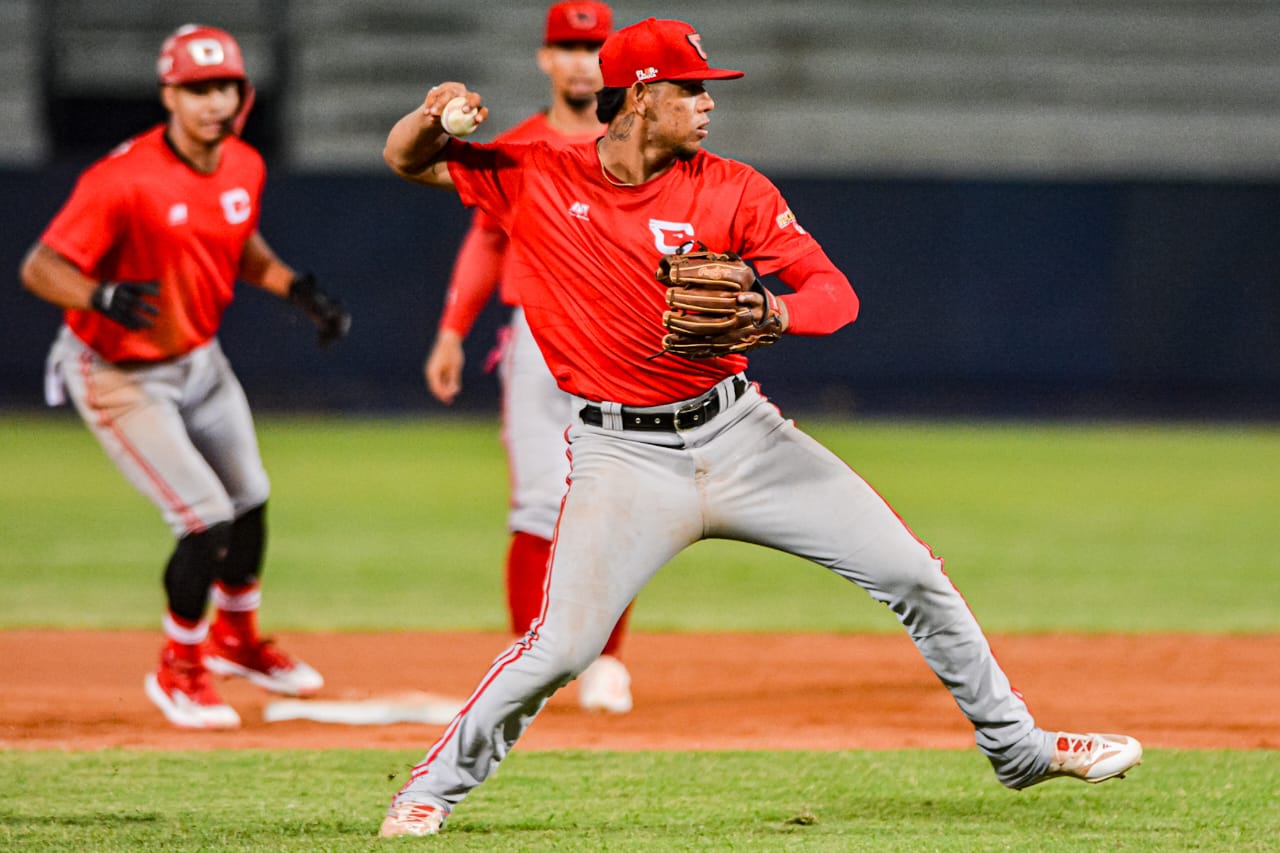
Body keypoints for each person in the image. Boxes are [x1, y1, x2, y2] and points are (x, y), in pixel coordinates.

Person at [377, 17, 1142, 837]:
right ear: (638, 96)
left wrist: (775, 310)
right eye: (691, 90)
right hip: (622, 454)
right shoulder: (536, 172)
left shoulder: (733, 188)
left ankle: (1018, 747)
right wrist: (433, 114)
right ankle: (432, 789)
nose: (708, 106)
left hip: (743, 436)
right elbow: (405, 159)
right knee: (562, 649)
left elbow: (834, 293)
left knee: (915, 575)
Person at [19, 24, 351, 730]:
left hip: (198, 359)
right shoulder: (121, 178)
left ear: (243, 94)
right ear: (169, 95)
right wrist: (98, 295)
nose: (211, 101)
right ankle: (180, 668)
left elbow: (236, 242)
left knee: (251, 499)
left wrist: (297, 288)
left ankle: (237, 640)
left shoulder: (243, 166)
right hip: (117, 371)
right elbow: (40, 266)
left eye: (222, 86)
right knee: (204, 519)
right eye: (196, 88)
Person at [424, 0, 633, 715]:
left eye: (594, 47)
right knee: (539, 503)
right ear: (546, 58)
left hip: (620, 337)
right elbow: (486, 241)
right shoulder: (519, 147)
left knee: (616, 502)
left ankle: (606, 659)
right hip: (538, 338)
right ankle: (529, 659)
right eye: (569, 48)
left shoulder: (634, 142)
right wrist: (453, 330)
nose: (581, 61)